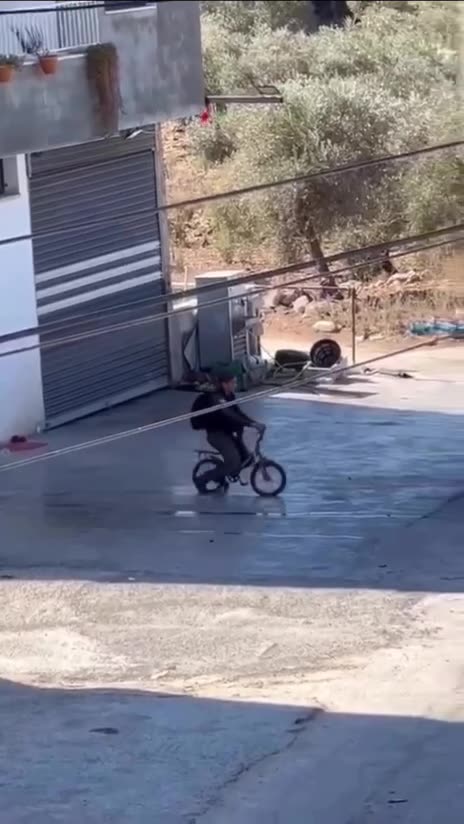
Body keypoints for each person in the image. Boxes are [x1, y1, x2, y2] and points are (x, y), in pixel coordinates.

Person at [191, 370, 265, 492]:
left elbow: (238, 412)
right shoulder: (216, 397)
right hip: (216, 435)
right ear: (224, 384)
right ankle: (202, 479)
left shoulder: (229, 396)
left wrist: (253, 423)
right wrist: (250, 424)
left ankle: (223, 475)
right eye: (233, 383)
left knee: (245, 457)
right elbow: (229, 413)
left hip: (227, 433)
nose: (235, 385)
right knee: (233, 462)